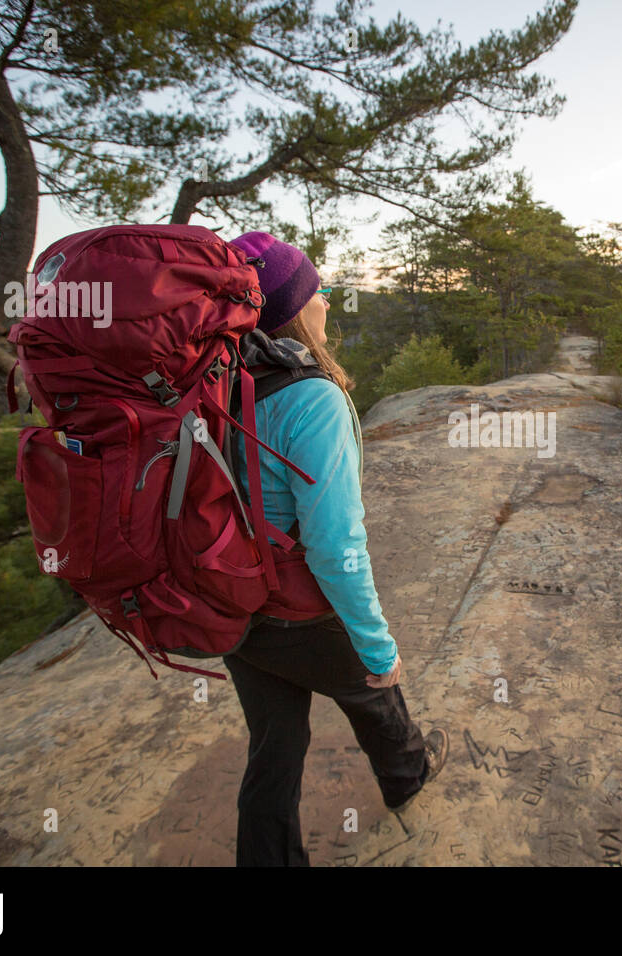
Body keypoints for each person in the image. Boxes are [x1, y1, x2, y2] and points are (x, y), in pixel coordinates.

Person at [222, 231, 448, 867]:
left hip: (232, 602)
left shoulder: (214, 383)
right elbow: (335, 545)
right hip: (297, 610)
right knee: (376, 692)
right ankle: (408, 778)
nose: (325, 302)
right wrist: (379, 645)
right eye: (315, 291)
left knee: (273, 749)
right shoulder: (311, 397)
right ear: (291, 309)